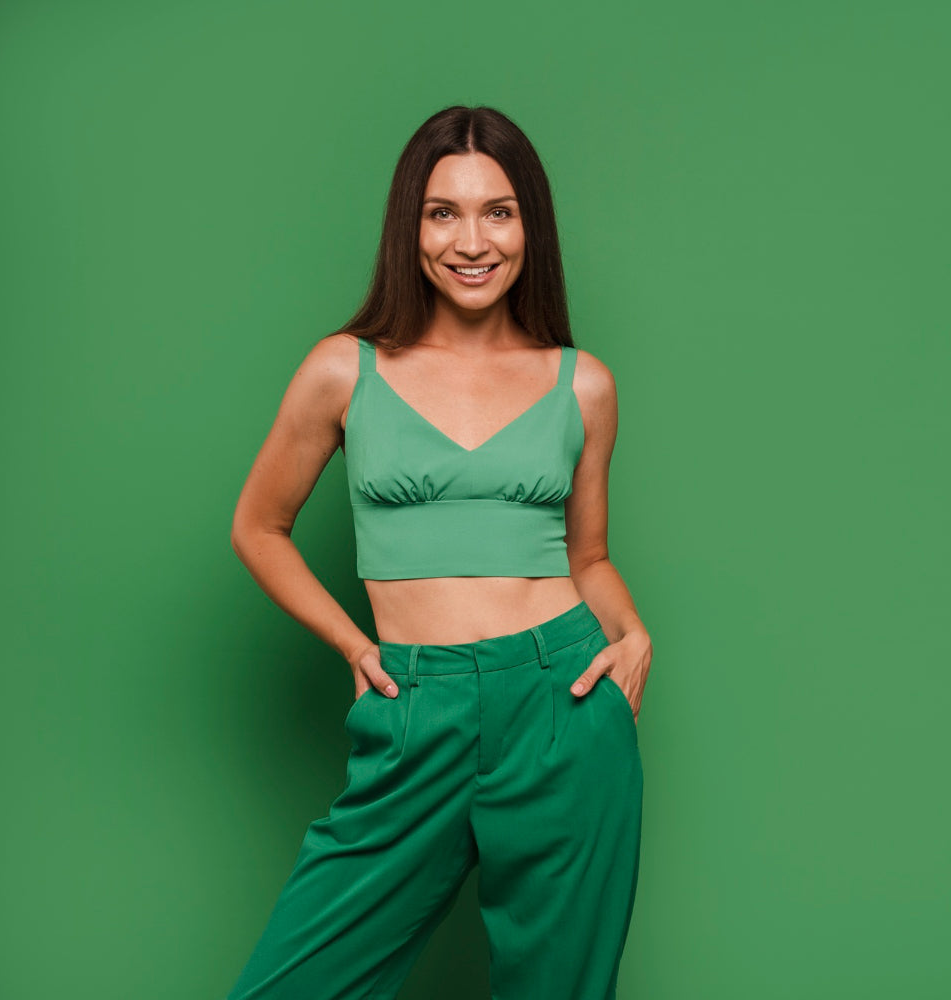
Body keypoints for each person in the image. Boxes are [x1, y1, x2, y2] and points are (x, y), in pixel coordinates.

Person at [224, 105, 649, 1000]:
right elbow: (258, 529)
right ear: (408, 227)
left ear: (530, 225)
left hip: (563, 710)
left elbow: (591, 558)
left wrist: (631, 631)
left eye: (498, 211)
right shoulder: (346, 369)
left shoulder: (583, 383)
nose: (472, 240)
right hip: (414, 705)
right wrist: (353, 645)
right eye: (443, 212)